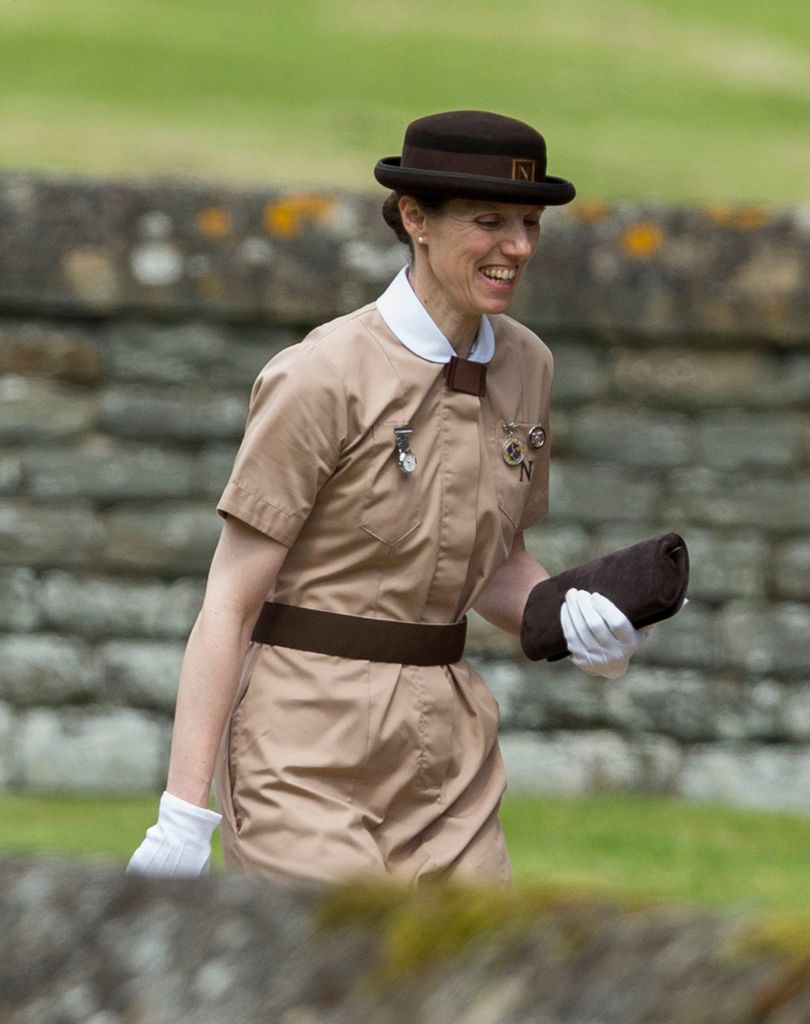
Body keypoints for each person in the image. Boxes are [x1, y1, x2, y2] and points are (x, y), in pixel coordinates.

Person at [127, 110, 646, 885]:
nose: (518, 248)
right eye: (490, 221)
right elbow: (230, 601)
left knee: (475, 995)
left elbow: (498, 562)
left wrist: (568, 619)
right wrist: (182, 812)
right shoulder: (319, 376)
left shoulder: (529, 366)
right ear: (415, 219)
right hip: (302, 747)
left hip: (452, 757)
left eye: (530, 223)